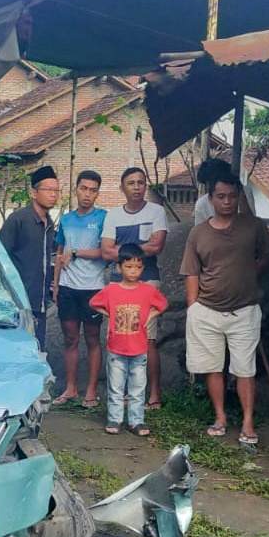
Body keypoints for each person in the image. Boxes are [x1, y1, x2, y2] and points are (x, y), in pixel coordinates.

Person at [180, 171, 269, 445]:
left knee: (245, 369)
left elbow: (267, 254)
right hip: (206, 309)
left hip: (244, 310)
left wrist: (250, 272)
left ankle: (247, 421)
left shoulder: (253, 226)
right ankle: (220, 417)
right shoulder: (199, 233)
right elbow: (191, 272)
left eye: (232, 196)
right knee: (212, 368)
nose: (227, 202)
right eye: (221, 196)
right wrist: (193, 308)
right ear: (210, 199)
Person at [103, 167, 174, 407]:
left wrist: (123, 254)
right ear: (122, 187)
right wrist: (137, 252)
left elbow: (157, 246)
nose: (136, 187)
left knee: (147, 337)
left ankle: (154, 394)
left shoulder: (156, 211)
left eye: (141, 183)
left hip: (148, 280)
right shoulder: (113, 215)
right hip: (117, 283)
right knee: (119, 335)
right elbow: (105, 249)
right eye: (131, 183)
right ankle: (120, 392)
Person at [91, 244, 168, 436]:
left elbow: (163, 304)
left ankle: (136, 421)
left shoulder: (147, 291)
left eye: (138, 267)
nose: (133, 271)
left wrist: (151, 315)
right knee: (116, 386)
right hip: (116, 349)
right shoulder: (112, 290)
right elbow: (94, 303)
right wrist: (108, 313)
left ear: (142, 268)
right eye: (129, 266)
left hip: (139, 349)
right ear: (119, 267)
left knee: (137, 387)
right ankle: (115, 419)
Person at [52, 170, 108, 407]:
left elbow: (104, 252)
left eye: (93, 190)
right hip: (67, 287)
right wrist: (55, 285)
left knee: (93, 338)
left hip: (93, 287)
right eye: (83, 188)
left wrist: (76, 253)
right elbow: (59, 254)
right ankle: (71, 388)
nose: (87, 194)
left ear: (97, 193)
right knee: (70, 339)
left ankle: (91, 391)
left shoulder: (104, 217)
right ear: (76, 189)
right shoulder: (66, 219)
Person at [0, 166, 61, 352]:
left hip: (39, 301)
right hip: (17, 303)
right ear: (34, 192)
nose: (53, 195)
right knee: (16, 352)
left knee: (37, 350)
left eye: (56, 191)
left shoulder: (49, 223)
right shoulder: (18, 219)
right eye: (48, 190)